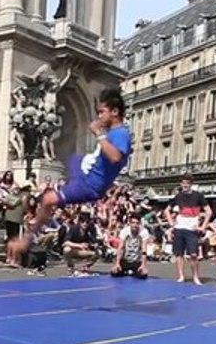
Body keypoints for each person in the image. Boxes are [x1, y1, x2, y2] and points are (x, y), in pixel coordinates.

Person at [7, 87, 132, 259]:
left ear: (115, 111)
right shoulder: (114, 132)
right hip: (84, 173)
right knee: (73, 158)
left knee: (48, 198)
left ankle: (27, 238)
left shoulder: (120, 134)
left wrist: (99, 135)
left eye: (102, 112)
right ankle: (41, 218)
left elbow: (116, 157)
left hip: (90, 184)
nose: (99, 116)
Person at [165, 173, 212, 284]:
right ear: (181, 184)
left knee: (194, 254)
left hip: (192, 229)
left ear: (191, 184)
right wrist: (172, 224)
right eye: (183, 183)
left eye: (187, 183)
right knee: (179, 254)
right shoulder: (178, 196)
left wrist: (203, 227)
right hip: (179, 228)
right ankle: (181, 276)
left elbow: (209, 212)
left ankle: (196, 277)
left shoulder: (198, 196)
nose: (185, 185)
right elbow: (166, 210)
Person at [111, 214, 149, 278]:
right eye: (133, 223)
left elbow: (144, 250)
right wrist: (117, 263)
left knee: (143, 275)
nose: (135, 225)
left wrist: (143, 265)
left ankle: (132, 271)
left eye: (137, 223)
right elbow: (121, 247)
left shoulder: (144, 232)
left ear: (140, 223)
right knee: (114, 273)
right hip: (125, 260)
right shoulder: (124, 231)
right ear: (130, 223)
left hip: (136, 261)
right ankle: (126, 271)